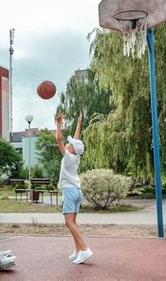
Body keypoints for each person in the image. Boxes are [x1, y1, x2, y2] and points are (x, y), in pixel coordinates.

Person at [55, 112, 92, 264]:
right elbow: (76, 140)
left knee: (69, 223)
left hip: (70, 191)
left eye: (69, 144)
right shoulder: (76, 155)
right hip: (77, 191)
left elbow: (58, 140)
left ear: (71, 149)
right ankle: (78, 250)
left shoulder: (69, 157)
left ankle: (84, 249)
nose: (68, 144)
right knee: (73, 222)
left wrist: (58, 123)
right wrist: (79, 124)